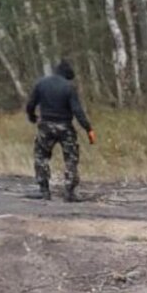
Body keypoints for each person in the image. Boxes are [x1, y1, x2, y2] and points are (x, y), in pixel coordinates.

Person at [25, 60, 96, 202]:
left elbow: (30, 104)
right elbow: (77, 111)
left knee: (41, 157)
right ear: (67, 74)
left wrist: (32, 117)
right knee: (71, 159)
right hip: (65, 127)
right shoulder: (69, 87)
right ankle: (69, 193)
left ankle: (44, 191)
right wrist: (88, 129)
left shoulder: (41, 84)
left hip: (46, 126)